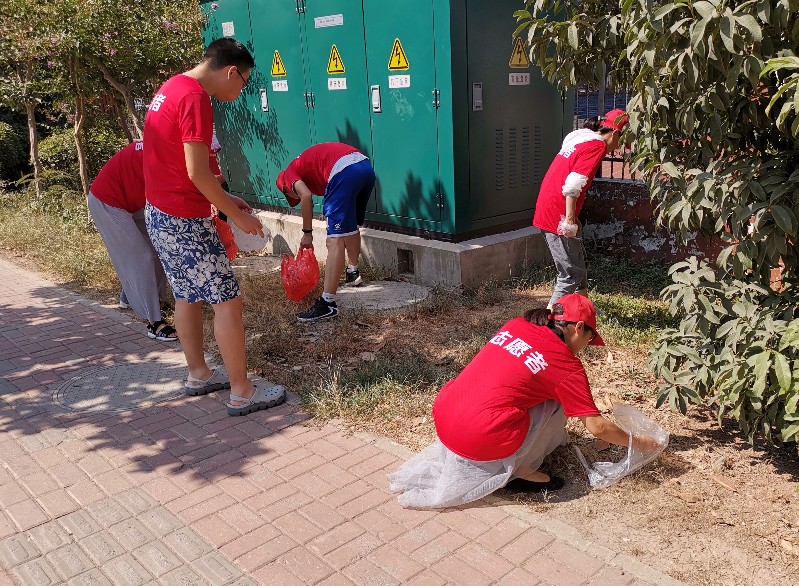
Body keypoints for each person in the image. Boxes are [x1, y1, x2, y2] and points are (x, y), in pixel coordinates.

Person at [387, 293, 662, 509]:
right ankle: (521, 470)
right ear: (579, 328)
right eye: (589, 339)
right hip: (477, 436)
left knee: (538, 395)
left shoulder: (516, 325)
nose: (586, 347)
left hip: (447, 416)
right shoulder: (565, 365)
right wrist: (640, 443)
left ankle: (515, 457)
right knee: (557, 403)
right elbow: (598, 428)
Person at [143, 37, 285, 416]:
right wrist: (238, 217)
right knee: (227, 300)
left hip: (159, 212)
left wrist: (225, 200)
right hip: (183, 220)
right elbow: (196, 172)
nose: (241, 91)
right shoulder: (195, 98)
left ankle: (199, 374)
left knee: (187, 295)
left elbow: (181, 166)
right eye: (244, 82)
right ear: (230, 71)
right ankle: (242, 391)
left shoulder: (171, 87)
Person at [533, 109, 629, 308]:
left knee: (578, 261)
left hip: (550, 204)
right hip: (558, 212)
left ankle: (584, 309)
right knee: (570, 274)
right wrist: (568, 220)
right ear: (615, 134)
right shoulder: (597, 146)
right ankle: (548, 325)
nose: (621, 146)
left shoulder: (582, 140)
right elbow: (573, 185)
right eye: (622, 140)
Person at [87, 140, 177, 342]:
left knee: (159, 248)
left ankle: (132, 296)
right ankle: (153, 321)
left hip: (133, 204)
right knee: (143, 257)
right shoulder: (161, 153)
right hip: (107, 202)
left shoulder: (166, 148)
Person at [275, 142, 376, 322]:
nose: (294, 197)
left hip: (344, 171)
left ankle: (327, 303)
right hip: (364, 167)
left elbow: (306, 197)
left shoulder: (288, 174)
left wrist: (307, 233)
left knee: (334, 240)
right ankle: (353, 272)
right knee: (350, 227)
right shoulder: (307, 167)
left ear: (285, 187)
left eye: (291, 196)